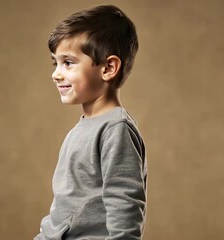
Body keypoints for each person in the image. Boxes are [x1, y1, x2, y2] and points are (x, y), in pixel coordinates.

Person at [35, 5, 147, 240]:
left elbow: (124, 203)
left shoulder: (116, 130)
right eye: (55, 63)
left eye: (68, 62)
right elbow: (65, 207)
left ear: (108, 68)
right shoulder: (84, 126)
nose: (56, 73)